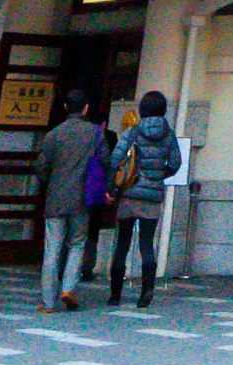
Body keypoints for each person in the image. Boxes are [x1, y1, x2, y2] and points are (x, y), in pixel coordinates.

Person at [109, 91, 184, 308]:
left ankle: (115, 295)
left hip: (129, 195)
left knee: (122, 244)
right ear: (163, 110)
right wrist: (160, 175)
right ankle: (146, 292)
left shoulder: (132, 132)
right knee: (146, 244)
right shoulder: (168, 135)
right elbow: (176, 163)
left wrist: (112, 187)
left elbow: (116, 159)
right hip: (152, 198)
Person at [34, 91, 107, 310]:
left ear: (66, 107)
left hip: (56, 199)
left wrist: (51, 182)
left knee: (52, 249)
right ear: (86, 108)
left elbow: (41, 167)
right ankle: (68, 288)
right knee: (77, 244)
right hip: (82, 198)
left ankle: (48, 301)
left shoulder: (53, 134)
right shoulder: (96, 133)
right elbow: (105, 162)